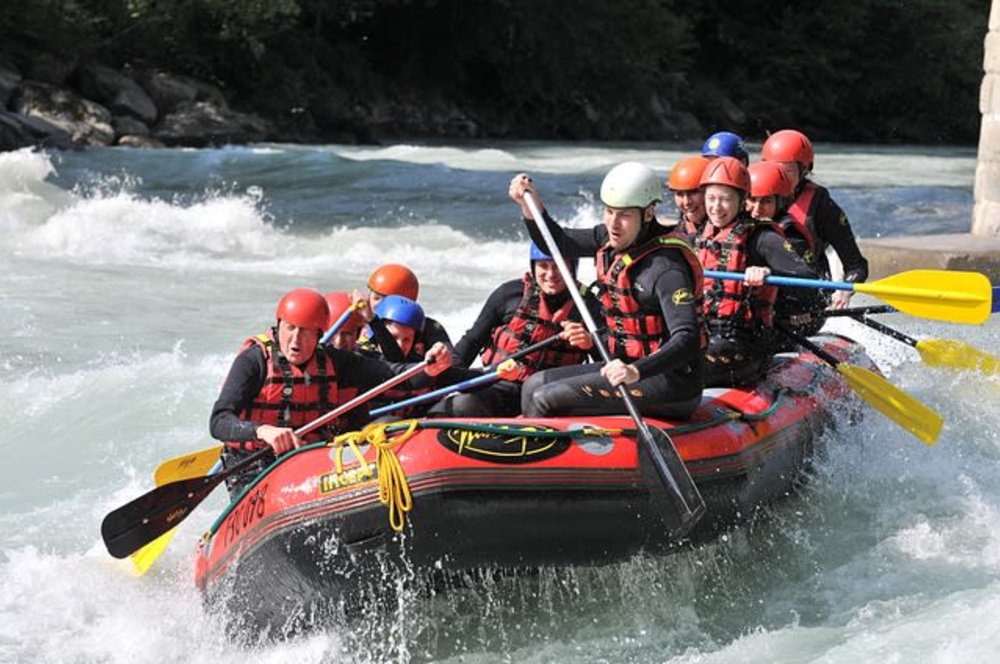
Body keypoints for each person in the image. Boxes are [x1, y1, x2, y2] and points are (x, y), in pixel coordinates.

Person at [509, 162, 707, 420]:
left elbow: (687, 338)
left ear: (648, 214)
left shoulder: (667, 268)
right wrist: (529, 204)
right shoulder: (612, 239)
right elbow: (558, 242)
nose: (614, 224)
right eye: (609, 212)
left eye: (624, 215)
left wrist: (637, 371)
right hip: (623, 367)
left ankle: (545, 456)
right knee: (533, 384)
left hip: (671, 384)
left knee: (545, 398)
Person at [209, 288, 451, 495]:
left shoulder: (338, 362)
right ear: (279, 325)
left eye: (305, 332)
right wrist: (263, 431)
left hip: (310, 462)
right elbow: (219, 421)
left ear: (319, 335)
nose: (295, 339)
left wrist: (429, 369)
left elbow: (396, 377)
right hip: (252, 465)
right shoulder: (254, 362)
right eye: (290, 328)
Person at [429, 242, 600, 417]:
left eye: (558, 266)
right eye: (543, 266)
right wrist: (454, 377)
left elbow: (607, 364)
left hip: (552, 395)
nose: (550, 274)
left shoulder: (589, 306)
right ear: (533, 268)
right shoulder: (509, 294)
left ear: (572, 267)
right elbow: (470, 343)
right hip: (501, 387)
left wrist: (591, 342)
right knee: (460, 404)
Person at [695, 157, 818, 386]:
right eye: (711, 198)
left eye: (725, 199)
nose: (716, 207)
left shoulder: (763, 238)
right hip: (704, 335)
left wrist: (769, 275)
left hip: (744, 345)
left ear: (741, 201)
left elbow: (810, 283)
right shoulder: (701, 236)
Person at [761, 129, 868, 308]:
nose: (778, 178)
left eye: (786, 171)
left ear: (804, 170)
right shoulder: (750, 199)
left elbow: (856, 266)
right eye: (773, 169)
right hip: (763, 291)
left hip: (806, 300)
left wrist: (844, 289)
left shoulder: (822, 206)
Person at [746, 162, 828, 335]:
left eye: (766, 201)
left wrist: (800, 306)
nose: (757, 209)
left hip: (791, 316)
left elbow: (811, 284)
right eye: (752, 199)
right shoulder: (735, 228)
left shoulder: (791, 236)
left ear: (779, 202)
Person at [360, 263, 453, 360]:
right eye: (376, 298)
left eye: (387, 301)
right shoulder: (358, 323)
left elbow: (455, 364)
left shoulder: (428, 327)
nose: (379, 306)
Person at [665, 155, 712, 241]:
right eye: (679, 194)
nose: (686, 202)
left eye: (693, 192)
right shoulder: (675, 236)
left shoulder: (734, 234)